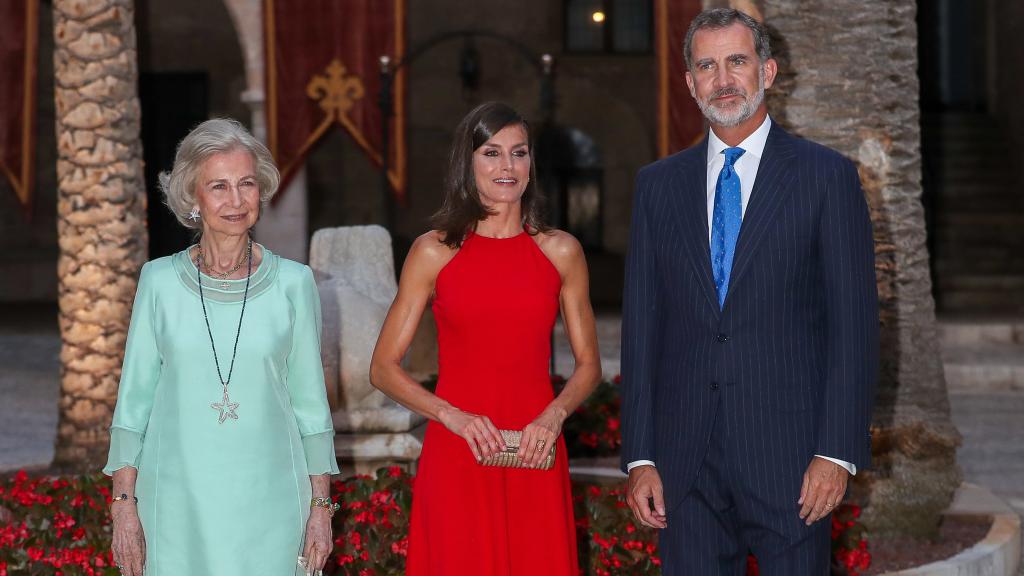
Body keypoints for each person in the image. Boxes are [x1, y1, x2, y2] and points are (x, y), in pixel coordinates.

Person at [620, 8, 879, 574]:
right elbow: (642, 328)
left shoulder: (825, 178)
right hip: (684, 465)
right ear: (689, 83)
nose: (723, 79)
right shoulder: (656, 187)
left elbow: (853, 328)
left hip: (791, 460)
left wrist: (835, 452)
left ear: (768, 70)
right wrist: (640, 455)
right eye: (707, 66)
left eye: (736, 61)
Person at [369, 101, 601, 575]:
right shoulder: (433, 251)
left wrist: (553, 416)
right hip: (459, 447)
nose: (507, 166)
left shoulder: (561, 251)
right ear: (467, 163)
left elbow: (590, 365)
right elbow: (382, 368)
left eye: (518, 153)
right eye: (491, 153)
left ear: (531, 164)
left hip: (536, 445)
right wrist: (449, 415)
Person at [103, 118, 340, 576]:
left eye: (246, 184)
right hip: (175, 505)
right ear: (193, 197)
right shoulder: (158, 282)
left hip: (271, 504)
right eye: (219, 186)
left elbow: (312, 408)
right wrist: (123, 508)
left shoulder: (294, 284)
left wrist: (321, 509)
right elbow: (133, 405)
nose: (236, 200)